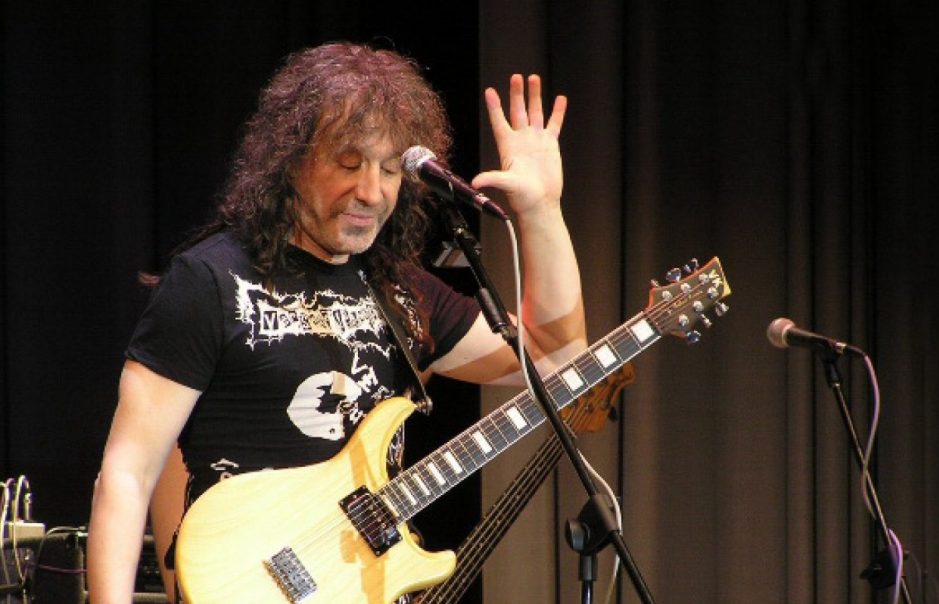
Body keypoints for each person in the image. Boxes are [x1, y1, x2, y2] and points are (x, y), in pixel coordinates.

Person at [86, 41, 586, 602]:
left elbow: (559, 362)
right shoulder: (210, 281)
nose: (370, 192)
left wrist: (542, 211)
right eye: (349, 164)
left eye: (390, 170)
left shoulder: (400, 292)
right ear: (291, 160)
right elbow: (127, 475)